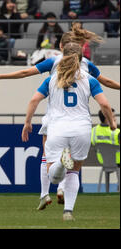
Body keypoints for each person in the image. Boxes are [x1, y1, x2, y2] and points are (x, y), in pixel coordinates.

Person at [0, 26, 120, 210]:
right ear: (80, 50)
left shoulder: (53, 63)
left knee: (47, 157)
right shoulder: (87, 65)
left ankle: (45, 193)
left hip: (55, 117)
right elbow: (106, 83)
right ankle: (62, 193)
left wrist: (1, 76)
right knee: (73, 168)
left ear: (61, 46)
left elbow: (26, 73)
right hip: (80, 122)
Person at [21, 42, 117, 221]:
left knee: (54, 177)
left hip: (57, 129)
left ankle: (60, 164)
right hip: (81, 130)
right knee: (73, 172)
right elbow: (104, 104)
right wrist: (112, 123)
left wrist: (27, 122)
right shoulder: (89, 79)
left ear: (62, 56)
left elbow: (34, 100)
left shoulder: (52, 78)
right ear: (82, 59)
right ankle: (68, 212)